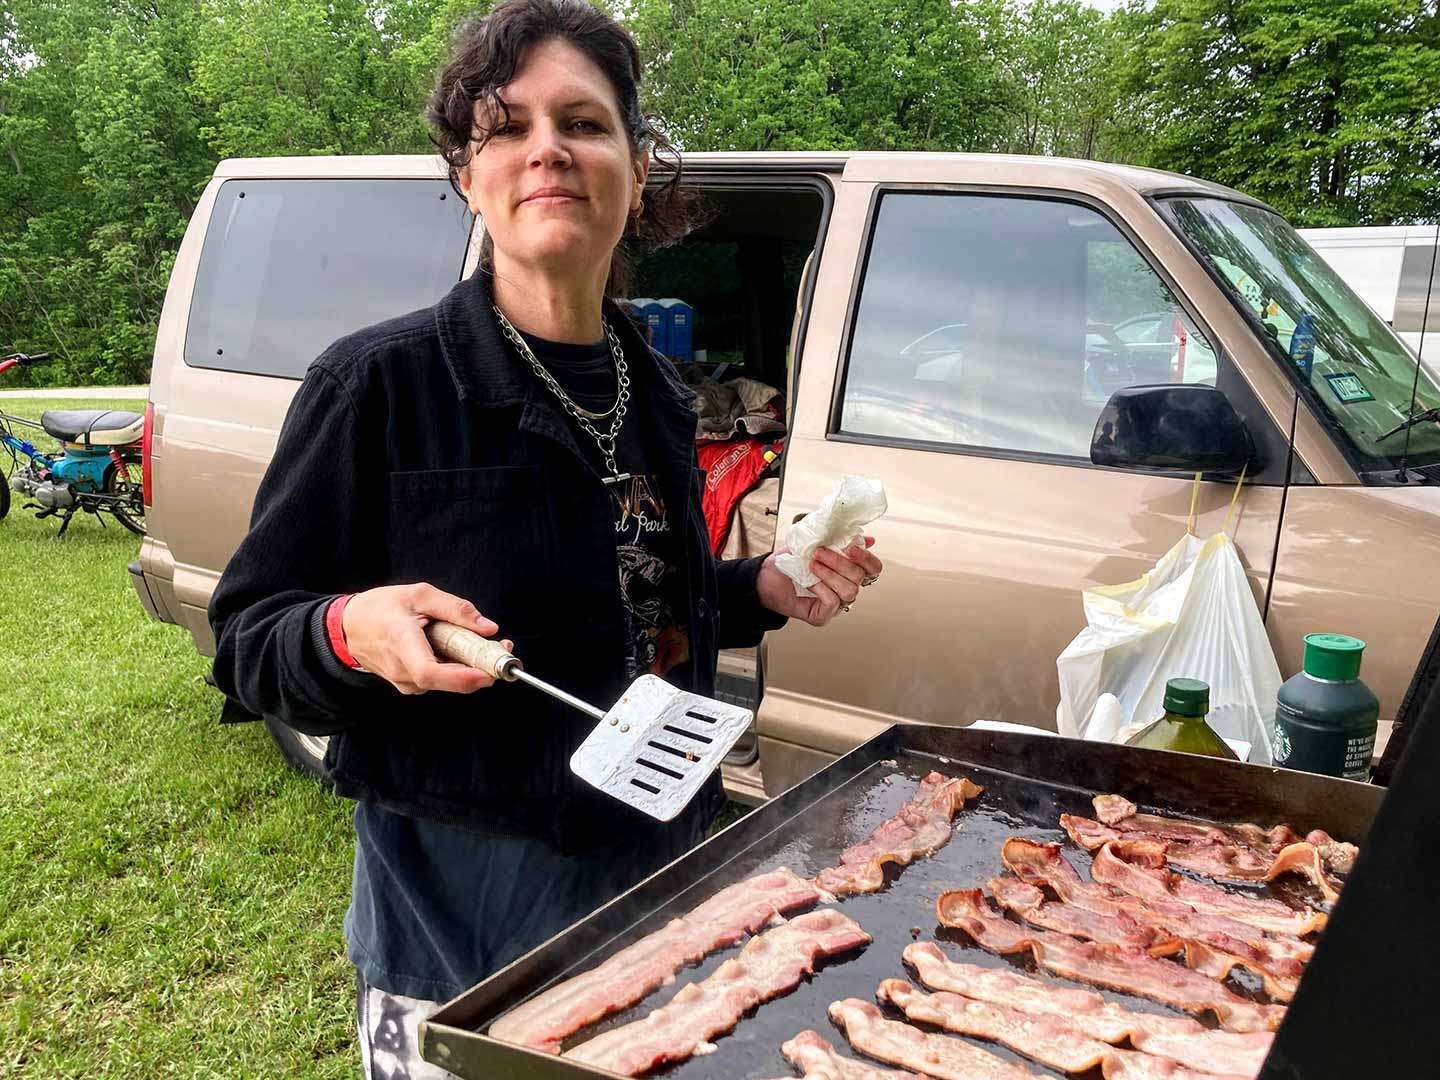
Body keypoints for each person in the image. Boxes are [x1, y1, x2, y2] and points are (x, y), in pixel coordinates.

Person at [207, 2, 883, 1077]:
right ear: (467, 175)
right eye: (508, 127)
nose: (548, 150)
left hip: (657, 872)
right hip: (458, 918)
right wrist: (348, 627)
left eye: (584, 121)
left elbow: (634, 593)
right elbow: (246, 639)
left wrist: (764, 586)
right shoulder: (377, 383)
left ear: (637, 165)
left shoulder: (655, 389)